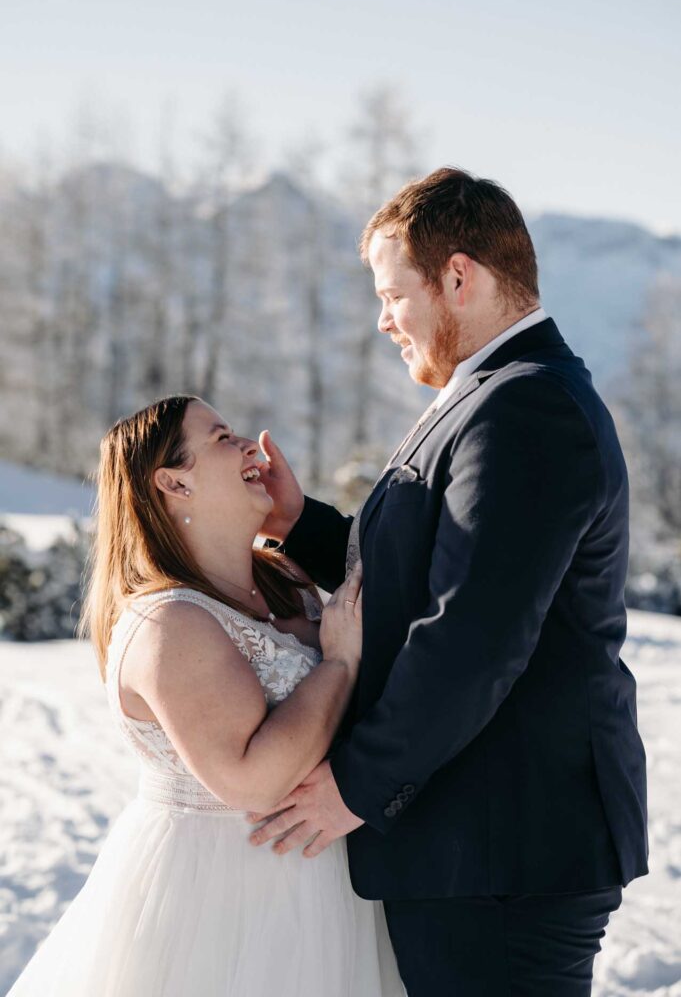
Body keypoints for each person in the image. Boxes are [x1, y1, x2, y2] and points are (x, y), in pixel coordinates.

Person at [246, 167, 649, 996]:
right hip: (480, 843)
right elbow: (432, 572)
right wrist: (302, 525)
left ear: (458, 277)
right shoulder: (496, 396)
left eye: (394, 294)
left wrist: (355, 786)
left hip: (505, 848)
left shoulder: (524, 409)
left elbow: (473, 633)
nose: (383, 320)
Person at [7, 395, 403, 997]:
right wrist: (342, 660)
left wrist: (297, 520)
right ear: (173, 482)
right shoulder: (169, 623)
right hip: (221, 900)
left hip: (330, 886)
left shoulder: (287, 579)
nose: (251, 445)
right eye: (221, 438)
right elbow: (253, 780)